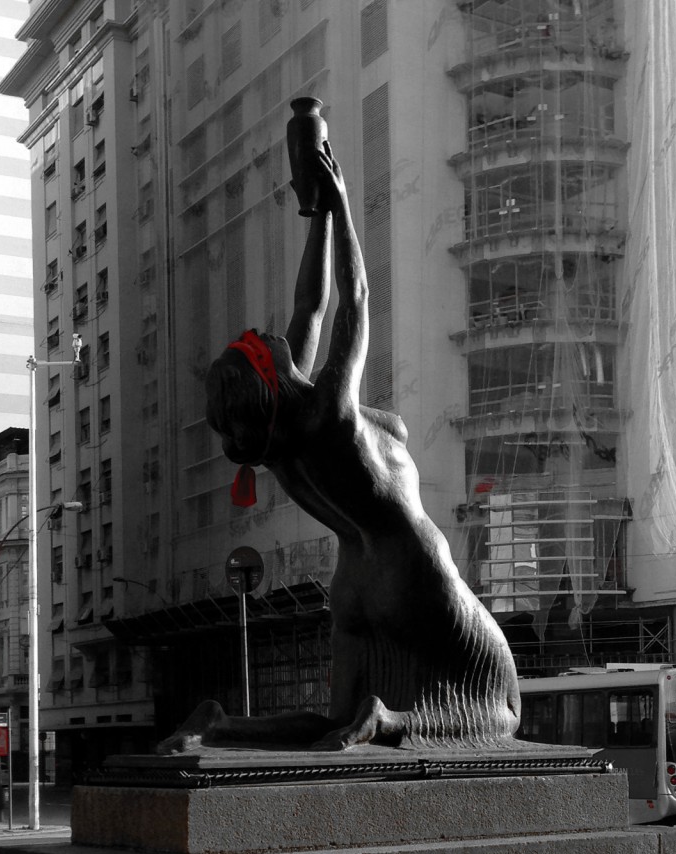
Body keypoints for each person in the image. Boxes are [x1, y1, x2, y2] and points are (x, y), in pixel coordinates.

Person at [158, 143, 520, 753]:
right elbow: (353, 301)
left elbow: (312, 304)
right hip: (412, 566)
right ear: (270, 373)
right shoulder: (331, 414)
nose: (264, 333)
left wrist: (319, 211)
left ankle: (220, 727)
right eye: (256, 342)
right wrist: (346, 205)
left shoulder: (283, 437)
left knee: (334, 722)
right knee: (501, 708)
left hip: (352, 580)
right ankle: (391, 722)